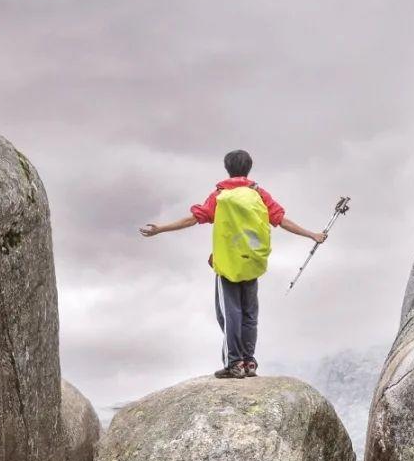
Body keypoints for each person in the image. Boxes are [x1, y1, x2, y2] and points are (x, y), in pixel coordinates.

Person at [140, 150, 326, 378]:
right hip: (252, 262)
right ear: (249, 168)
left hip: (228, 264)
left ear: (227, 168)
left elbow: (193, 218)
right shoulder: (259, 194)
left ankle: (234, 363)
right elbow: (281, 220)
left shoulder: (220, 195)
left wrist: (161, 228)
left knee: (229, 315)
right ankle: (249, 362)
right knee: (249, 314)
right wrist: (312, 235)